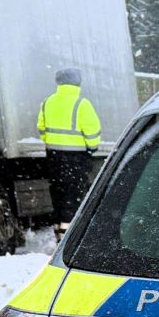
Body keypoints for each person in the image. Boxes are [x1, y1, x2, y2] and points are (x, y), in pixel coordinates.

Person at [37, 67, 102, 235]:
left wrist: (52, 143)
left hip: (53, 156)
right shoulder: (82, 104)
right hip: (76, 158)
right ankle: (68, 234)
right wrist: (91, 147)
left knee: (58, 194)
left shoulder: (47, 102)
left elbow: (41, 128)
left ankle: (58, 230)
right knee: (73, 196)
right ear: (78, 82)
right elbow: (92, 131)